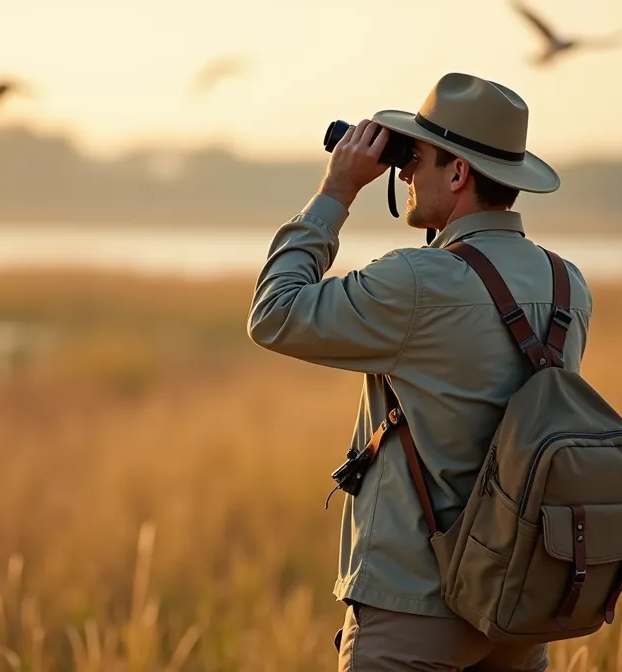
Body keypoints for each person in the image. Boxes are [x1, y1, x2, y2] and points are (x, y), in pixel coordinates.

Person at [246, 72, 593, 670]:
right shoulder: (568, 284)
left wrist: (336, 191)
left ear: (458, 174)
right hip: (517, 605)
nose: (403, 174)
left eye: (416, 159)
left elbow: (274, 314)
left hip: (412, 608)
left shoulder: (415, 280)